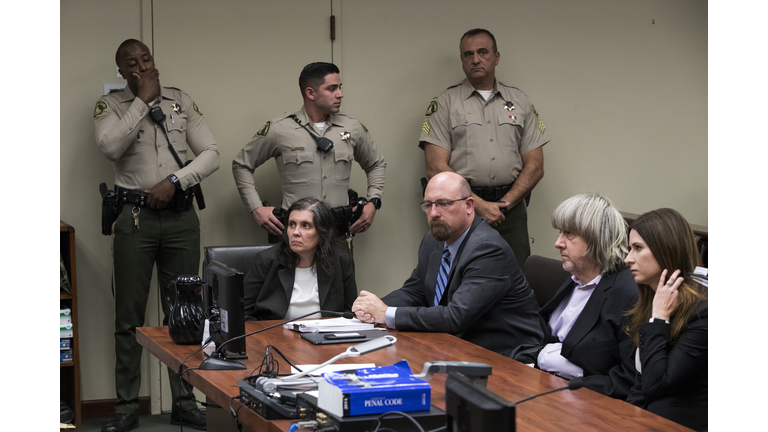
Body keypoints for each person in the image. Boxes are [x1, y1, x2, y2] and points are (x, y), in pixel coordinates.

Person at [94, 39, 219, 432]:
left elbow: (211, 152)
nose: (141, 66)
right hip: (134, 219)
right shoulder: (111, 105)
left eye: (145, 58)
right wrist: (142, 102)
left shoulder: (181, 100)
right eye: (130, 63)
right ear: (122, 71)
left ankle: (184, 401)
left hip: (181, 217)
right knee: (128, 316)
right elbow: (110, 146)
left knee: (185, 312)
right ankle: (127, 407)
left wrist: (175, 181)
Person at [351, 172, 543, 360]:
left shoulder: (488, 249)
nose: (434, 213)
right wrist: (372, 308)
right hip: (456, 345)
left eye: (443, 204)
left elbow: (454, 316)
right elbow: (414, 291)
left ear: (469, 205)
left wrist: (386, 313)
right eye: (428, 205)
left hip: (506, 355)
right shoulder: (434, 239)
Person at [418, 28, 549, 269]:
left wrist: (504, 204)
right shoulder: (445, 103)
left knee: (515, 277)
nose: (475, 59)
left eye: (482, 52)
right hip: (461, 208)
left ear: (496, 57)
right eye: (468, 54)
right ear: (461, 60)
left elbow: (536, 166)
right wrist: (477, 205)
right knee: (459, 275)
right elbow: (435, 167)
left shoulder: (520, 101)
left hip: (511, 209)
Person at [232, 62, 386, 245]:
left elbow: (376, 164)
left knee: (339, 274)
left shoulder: (352, 128)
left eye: (340, 87)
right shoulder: (280, 129)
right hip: (296, 236)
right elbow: (241, 164)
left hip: (337, 236)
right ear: (310, 93)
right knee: (295, 275)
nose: (340, 94)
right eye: (332, 88)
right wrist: (256, 208)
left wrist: (373, 202)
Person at [535, 192, 638, 399]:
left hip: (585, 402)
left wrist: (573, 379)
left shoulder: (628, 293)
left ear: (596, 239)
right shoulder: (575, 276)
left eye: (569, 233)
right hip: (540, 384)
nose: (558, 243)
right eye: (560, 232)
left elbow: (629, 380)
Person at [624, 208, 708, 431]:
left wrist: (660, 319)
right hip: (646, 419)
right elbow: (640, 381)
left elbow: (655, 384)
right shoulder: (649, 301)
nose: (627, 259)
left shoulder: (704, 313)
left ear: (666, 250)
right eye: (629, 249)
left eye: (637, 248)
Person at [243, 197, 357, 320]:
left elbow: (350, 313)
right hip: (275, 335)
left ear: (322, 232)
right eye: (292, 224)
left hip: (324, 336)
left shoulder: (341, 260)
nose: (295, 232)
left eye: (305, 226)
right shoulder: (266, 260)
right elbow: (242, 314)